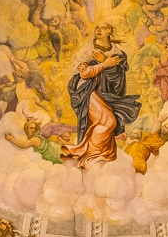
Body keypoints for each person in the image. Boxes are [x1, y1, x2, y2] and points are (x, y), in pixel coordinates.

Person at [60, 23, 142, 168]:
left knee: (108, 123)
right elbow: (81, 73)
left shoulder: (118, 53)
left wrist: (105, 63)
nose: (99, 30)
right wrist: (104, 64)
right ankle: (89, 155)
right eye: (97, 27)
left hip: (106, 94)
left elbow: (118, 78)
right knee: (108, 122)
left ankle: (99, 155)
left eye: (103, 28)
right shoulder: (86, 51)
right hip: (88, 91)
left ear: (110, 31)